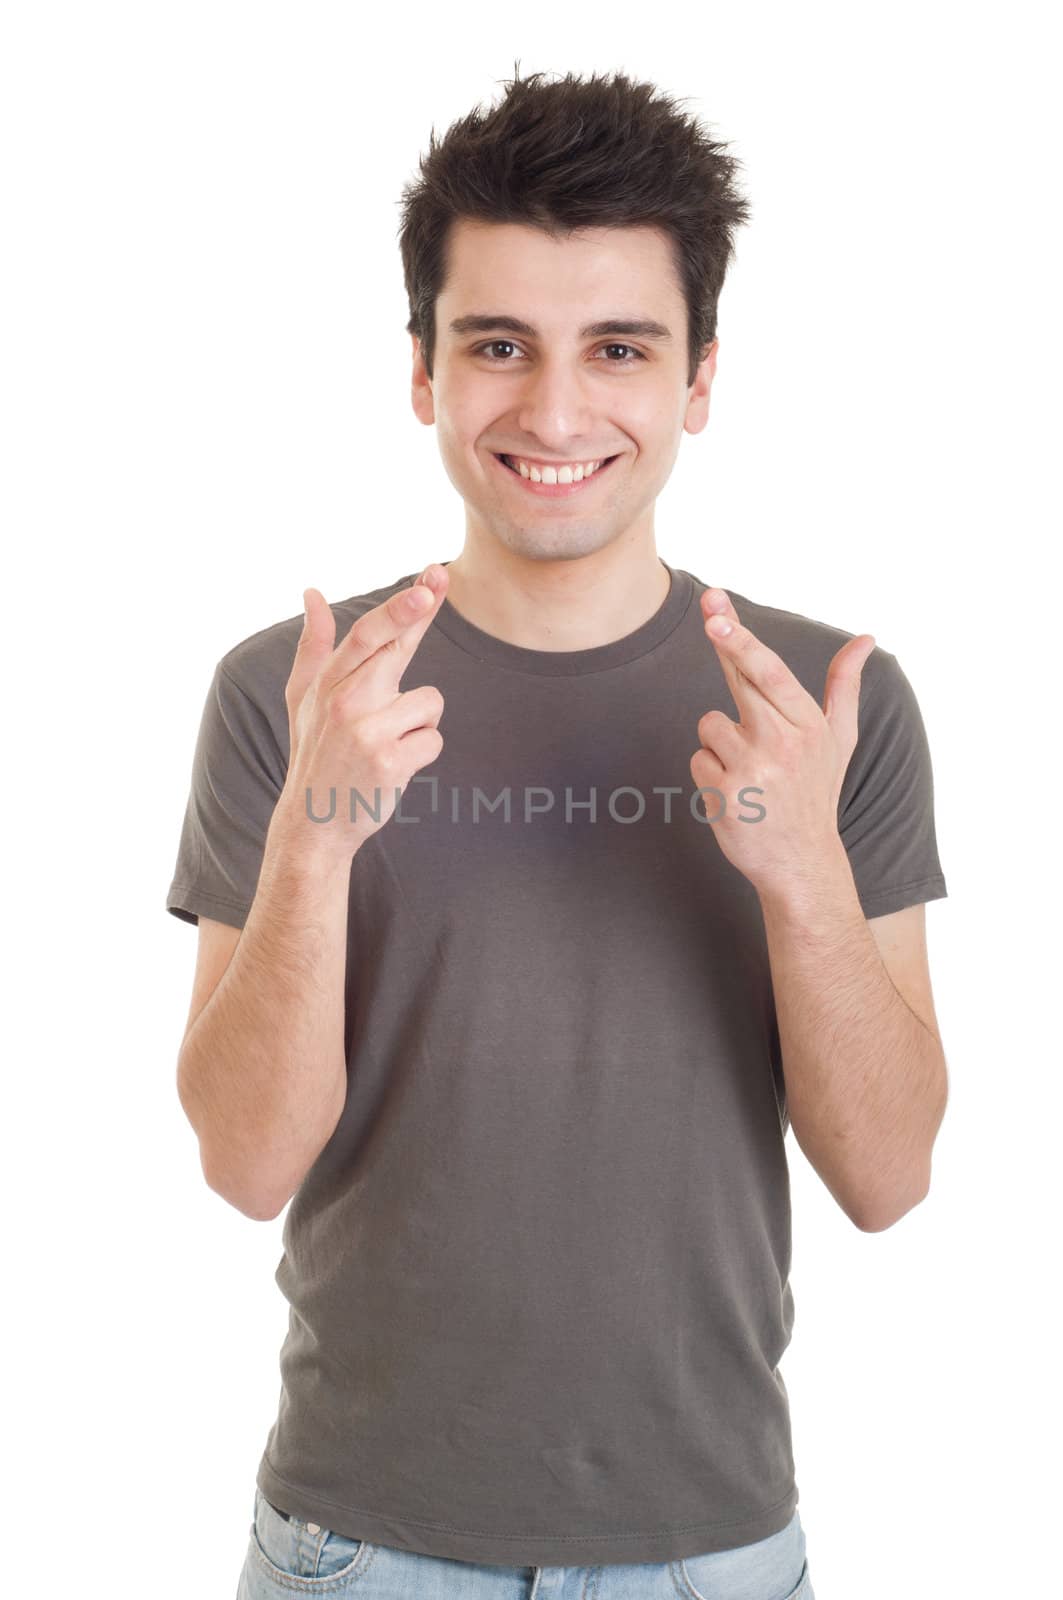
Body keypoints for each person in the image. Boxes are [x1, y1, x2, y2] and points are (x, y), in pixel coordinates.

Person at [167, 65, 949, 1600]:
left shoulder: (825, 706)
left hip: (709, 1545)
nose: (555, 410)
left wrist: (801, 875)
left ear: (701, 380)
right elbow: (245, 1165)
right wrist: (317, 840)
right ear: (423, 371)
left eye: (621, 349)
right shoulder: (292, 692)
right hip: (357, 1543)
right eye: (499, 346)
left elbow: (891, 1176)